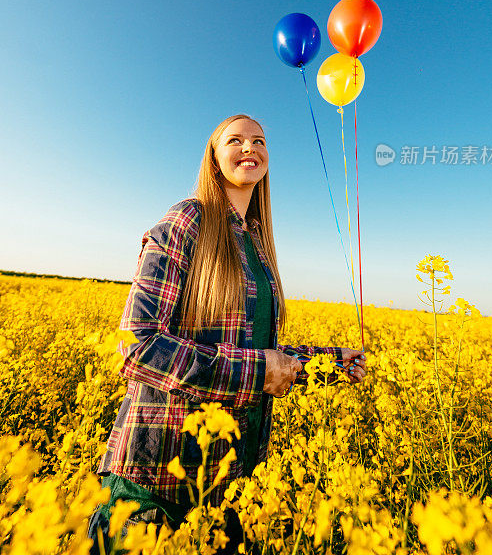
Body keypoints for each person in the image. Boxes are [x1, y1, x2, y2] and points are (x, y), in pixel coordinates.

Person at [87, 114, 366, 554]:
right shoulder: (188, 221)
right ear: (214, 159)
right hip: (159, 482)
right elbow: (136, 345)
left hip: (228, 487)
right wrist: (258, 371)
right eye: (234, 140)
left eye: (259, 141)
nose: (249, 148)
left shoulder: (256, 242)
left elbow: (260, 354)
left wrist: (332, 364)